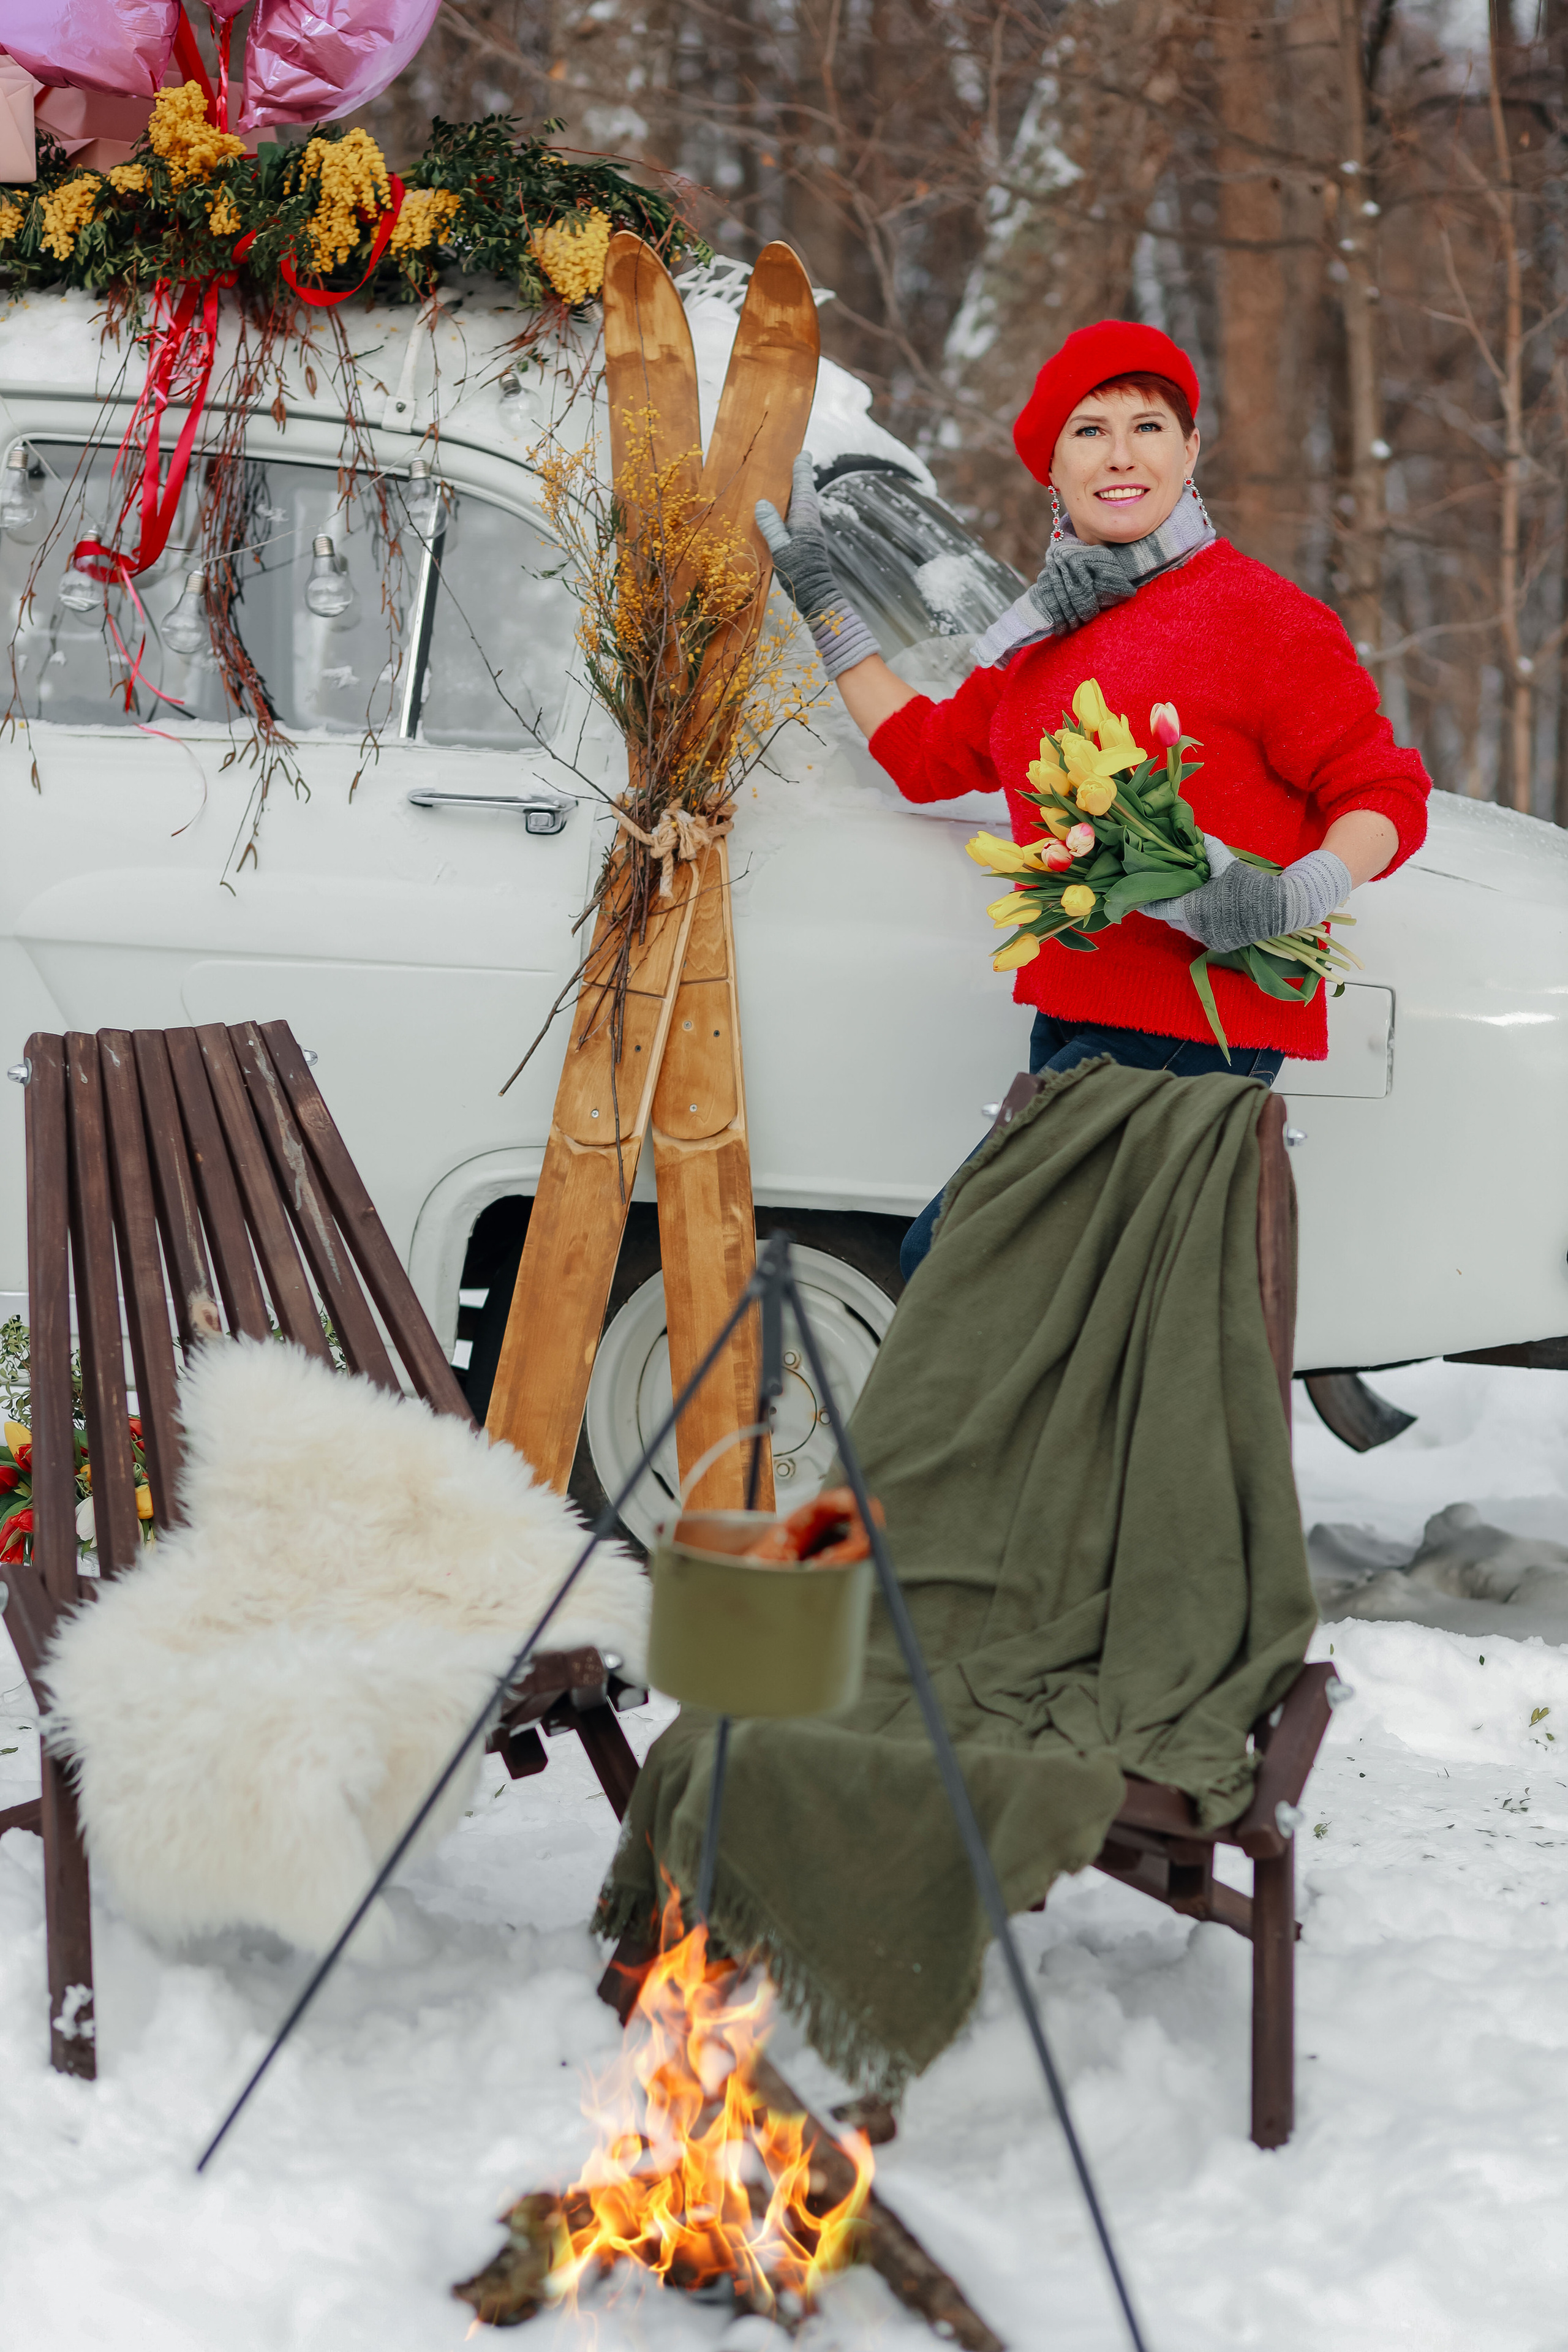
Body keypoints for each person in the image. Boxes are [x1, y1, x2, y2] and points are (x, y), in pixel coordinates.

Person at [756, 319, 1431, 1279]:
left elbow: (1384, 790)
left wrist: (1293, 894)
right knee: (1064, 1313)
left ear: (1190, 450)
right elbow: (927, 756)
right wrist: (825, 604)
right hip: (1074, 1018)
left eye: (1148, 427)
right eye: (1090, 431)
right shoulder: (1041, 636)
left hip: (1202, 1030)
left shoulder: (1261, 616)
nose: (1121, 456)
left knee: (959, 1269)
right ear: (1054, 470)